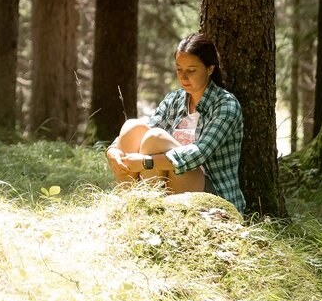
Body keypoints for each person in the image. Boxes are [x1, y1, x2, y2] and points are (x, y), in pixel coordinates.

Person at [105, 33, 245, 214]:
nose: (183, 77)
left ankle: (146, 212)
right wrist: (113, 150)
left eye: (191, 70)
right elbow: (148, 127)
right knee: (133, 127)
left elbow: (199, 154)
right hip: (169, 183)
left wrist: (147, 163)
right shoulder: (175, 99)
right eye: (179, 69)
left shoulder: (226, 105)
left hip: (210, 192)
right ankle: (127, 210)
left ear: (210, 69)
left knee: (155, 138)